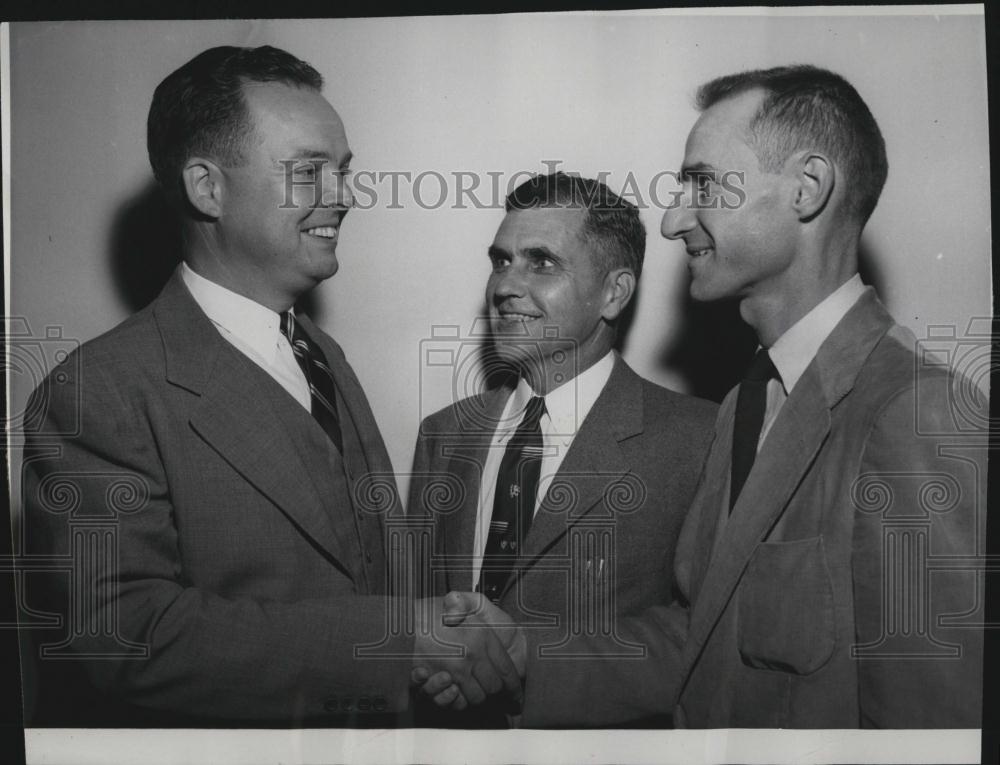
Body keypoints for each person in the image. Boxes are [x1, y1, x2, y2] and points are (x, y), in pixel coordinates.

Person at [433, 66, 985, 729]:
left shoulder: (913, 411)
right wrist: (524, 653)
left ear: (807, 189)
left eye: (702, 183)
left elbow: (934, 730)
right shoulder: (743, 409)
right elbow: (697, 639)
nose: (672, 220)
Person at [19, 45, 517, 728]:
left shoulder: (320, 354)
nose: (345, 196)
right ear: (206, 187)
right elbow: (127, 635)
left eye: (342, 172)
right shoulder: (95, 391)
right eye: (309, 172)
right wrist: (401, 644)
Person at [407, 173, 717, 725]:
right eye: (501, 260)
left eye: (541, 262)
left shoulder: (698, 439)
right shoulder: (443, 435)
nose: (505, 285)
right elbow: (413, 618)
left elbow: (703, 639)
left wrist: (533, 662)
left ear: (613, 294)